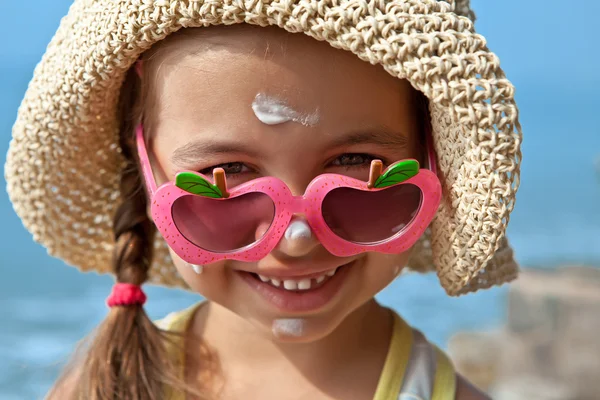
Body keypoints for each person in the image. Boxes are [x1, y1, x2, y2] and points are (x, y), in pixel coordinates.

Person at [5, 0, 522, 399]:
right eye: (227, 174)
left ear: (431, 158)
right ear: (144, 175)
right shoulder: (106, 387)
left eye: (351, 164)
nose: (297, 239)